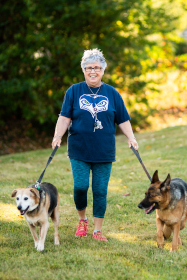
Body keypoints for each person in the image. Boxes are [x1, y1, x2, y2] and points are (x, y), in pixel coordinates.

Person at [52, 48, 138, 242]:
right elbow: (64, 117)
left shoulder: (112, 93)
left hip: (104, 150)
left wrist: (131, 138)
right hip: (79, 149)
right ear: (83, 69)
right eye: (89, 67)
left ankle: (97, 230)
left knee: (100, 190)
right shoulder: (74, 91)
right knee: (80, 187)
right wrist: (58, 135)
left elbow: (123, 119)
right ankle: (82, 220)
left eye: (97, 67)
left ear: (103, 70)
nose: (93, 71)